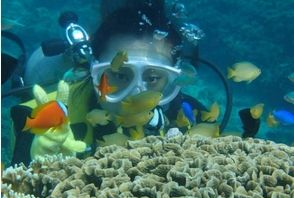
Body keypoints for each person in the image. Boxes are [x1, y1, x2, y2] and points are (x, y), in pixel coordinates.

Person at [9, 0, 232, 165]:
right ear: (93, 68)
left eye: (153, 78)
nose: (135, 94)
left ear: (174, 79)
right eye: (121, 75)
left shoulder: (195, 118)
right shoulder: (34, 117)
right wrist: (38, 161)